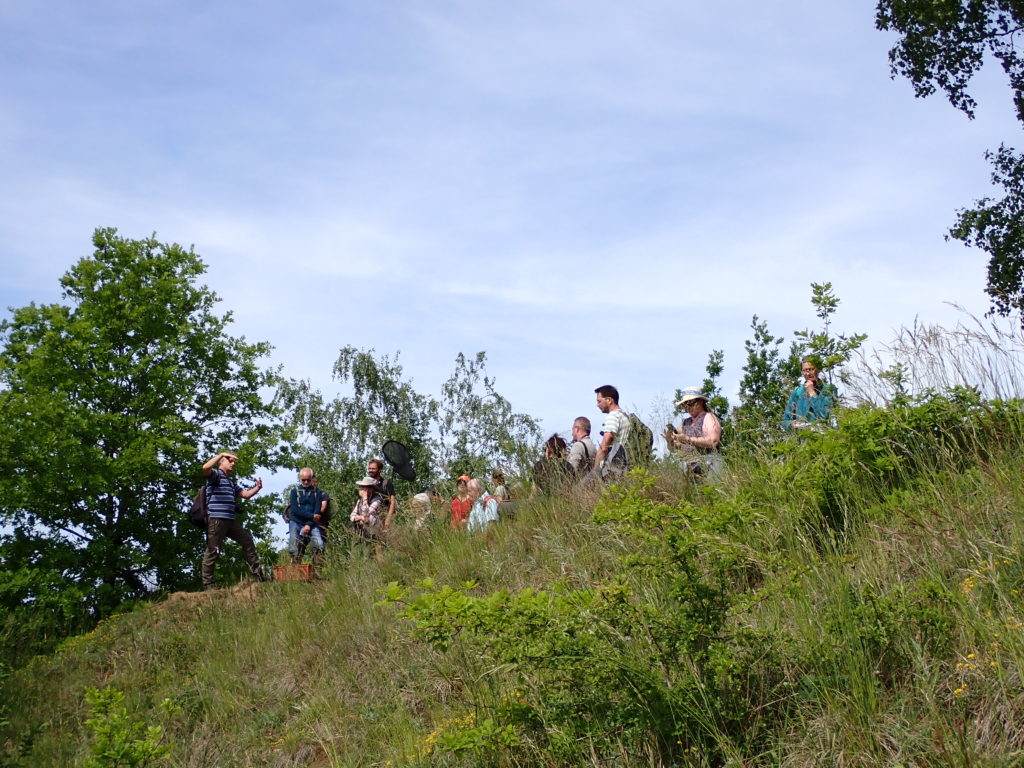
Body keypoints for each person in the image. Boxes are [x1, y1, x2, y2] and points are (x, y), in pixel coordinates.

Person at [200, 451, 269, 590]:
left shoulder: (230, 481)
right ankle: (208, 584)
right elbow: (205, 468)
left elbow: (245, 495)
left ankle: (259, 576)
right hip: (217, 519)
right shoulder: (216, 475)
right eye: (230, 461)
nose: (233, 463)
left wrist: (258, 487)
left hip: (230, 520)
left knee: (247, 541)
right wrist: (221, 454)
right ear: (222, 462)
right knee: (214, 550)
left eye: (233, 462)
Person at [667, 387, 723, 479]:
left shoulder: (709, 417)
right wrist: (671, 442)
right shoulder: (685, 423)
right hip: (689, 468)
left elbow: (714, 441)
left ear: (700, 402)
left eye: (691, 403)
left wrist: (688, 439)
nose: (688, 407)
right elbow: (673, 449)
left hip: (710, 464)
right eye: (685, 404)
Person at [782, 355, 839, 431]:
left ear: (818, 370)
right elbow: (785, 421)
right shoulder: (797, 393)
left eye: (811, 369)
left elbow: (824, 415)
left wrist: (812, 392)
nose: (807, 374)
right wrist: (793, 423)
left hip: (823, 436)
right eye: (804, 370)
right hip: (803, 437)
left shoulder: (828, 389)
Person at [285, 467, 326, 563]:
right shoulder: (294, 491)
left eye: (308, 479)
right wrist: (311, 517)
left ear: (312, 478)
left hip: (312, 523)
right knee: (294, 546)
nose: (306, 482)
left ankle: (317, 571)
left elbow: (317, 512)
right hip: (296, 521)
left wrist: (308, 524)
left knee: (319, 545)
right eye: (304, 480)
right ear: (300, 478)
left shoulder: (318, 492)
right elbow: (295, 510)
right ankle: (294, 569)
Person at [593, 385, 631, 479]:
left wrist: (596, 469)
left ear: (609, 400)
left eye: (599, 401)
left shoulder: (613, 416)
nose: (597, 405)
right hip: (622, 465)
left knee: (580, 488)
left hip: (612, 466)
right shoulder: (624, 416)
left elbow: (604, 446)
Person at [350, 475, 386, 549]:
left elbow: (366, 514)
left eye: (363, 487)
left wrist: (365, 498)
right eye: (361, 487)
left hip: (375, 533)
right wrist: (361, 518)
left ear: (370, 489)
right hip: (362, 532)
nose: (361, 489)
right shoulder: (360, 500)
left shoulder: (377, 500)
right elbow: (352, 516)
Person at [367, 458, 397, 531]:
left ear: (380, 470)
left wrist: (388, 519)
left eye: (373, 468)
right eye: (369, 468)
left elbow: (393, 502)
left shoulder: (386, 483)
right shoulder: (367, 483)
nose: (370, 470)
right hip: (368, 519)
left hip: (382, 519)